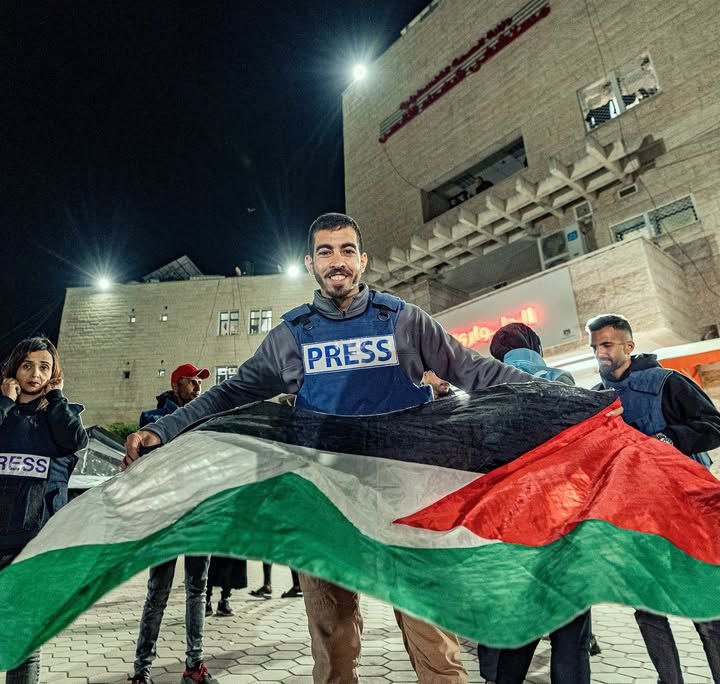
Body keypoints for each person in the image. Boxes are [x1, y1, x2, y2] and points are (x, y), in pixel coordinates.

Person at [122, 212, 614, 683]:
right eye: (325, 252)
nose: (337, 261)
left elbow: (475, 371)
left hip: (410, 504)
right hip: (327, 508)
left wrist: (565, 400)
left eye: (346, 250)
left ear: (362, 260)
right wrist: (164, 429)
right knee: (333, 653)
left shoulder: (404, 320)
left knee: (438, 654)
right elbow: (231, 393)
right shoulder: (291, 335)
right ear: (311, 263)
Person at [587, 313, 720, 684]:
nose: (600, 352)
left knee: (706, 609)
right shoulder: (597, 399)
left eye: (607, 344)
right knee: (647, 609)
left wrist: (667, 440)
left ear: (629, 346)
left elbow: (714, 426)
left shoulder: (668, 382)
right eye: (595, 347)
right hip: (632, 516)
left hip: (685, 508)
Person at [488, 323, 592, 683]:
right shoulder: (562, 381)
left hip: (515, 525)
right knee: (571, 634)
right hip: (566, 519)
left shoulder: (489, 390)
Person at [0, 337, 88, 684]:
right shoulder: (3, 411)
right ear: (13, 370)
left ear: (54, 375)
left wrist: (58, 399)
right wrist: (4, 402)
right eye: (27, 365)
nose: (35, 374)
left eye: (44, 367)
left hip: (35, 543)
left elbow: (75, 441)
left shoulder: (59, 415)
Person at [128, 363, 218, 684]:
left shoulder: (208, 419)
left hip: (199, 513)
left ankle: (194, 667)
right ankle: (142, 671)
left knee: (197, 590)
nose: (197, 387)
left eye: (199, 383)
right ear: (176, 384)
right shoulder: (153, 420)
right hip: (164, 515)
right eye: (191, 382)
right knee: (158, 592)